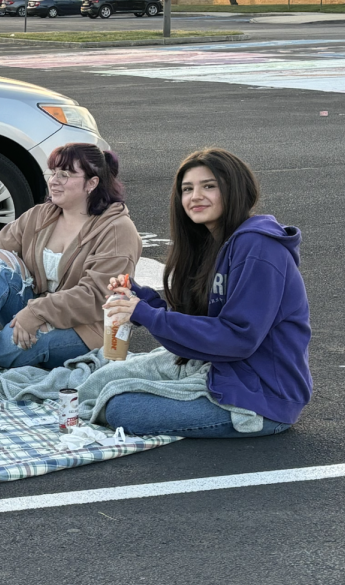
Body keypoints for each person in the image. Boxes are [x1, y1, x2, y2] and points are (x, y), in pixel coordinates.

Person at [100, 148, 311, 438]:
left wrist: (146, 314)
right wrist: (140, 299)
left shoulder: (260, 248)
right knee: (102, 381)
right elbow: (198, 327)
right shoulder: (209, 243)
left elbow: (237, 338)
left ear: (235, 189)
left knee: (122, 408)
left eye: (209, 186)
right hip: (224, 373)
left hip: (260, 398)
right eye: (187, 189)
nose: (195, 196)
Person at [0, 144, 140, 385]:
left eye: (65, 175)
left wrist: (38, 312)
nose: (54, 181)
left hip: (85, 329)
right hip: (32, 311)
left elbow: (96, 296)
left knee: (30, 340)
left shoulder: (117, 230)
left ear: (91, 183)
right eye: (53, 173)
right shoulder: (40, 215)